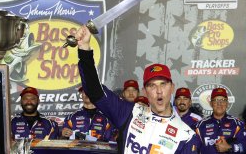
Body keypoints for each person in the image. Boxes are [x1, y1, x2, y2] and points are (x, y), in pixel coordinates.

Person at [74, 25, 197, 153]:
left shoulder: (186, 136)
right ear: (144, 92)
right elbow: (94, 91)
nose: (159, 90)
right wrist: (84, 48)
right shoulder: (131, 113)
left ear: (172, 88)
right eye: (152, 86)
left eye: (163, 84)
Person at [195, 88, 246, 153]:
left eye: (223, 100)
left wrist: (230, 147)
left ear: (227, 103)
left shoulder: (238, 124)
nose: (219, 103)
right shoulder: (200, 125)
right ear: (211, 103)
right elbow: (193, 148)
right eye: (216, 100)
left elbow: (244, 146)